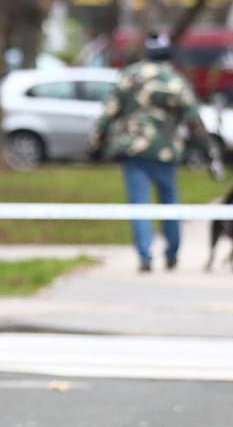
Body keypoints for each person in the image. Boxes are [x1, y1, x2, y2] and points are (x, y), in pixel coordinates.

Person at [90, 31, 221, 273]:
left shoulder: (129, 77)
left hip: (134, 151)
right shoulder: (175, 81)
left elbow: (108, 113)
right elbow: (194, 122)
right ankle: (172, 253)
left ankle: (145, 255)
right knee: (169, 203)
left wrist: (95, 144)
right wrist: (208, 153)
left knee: (139, 204)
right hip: (165, 152)